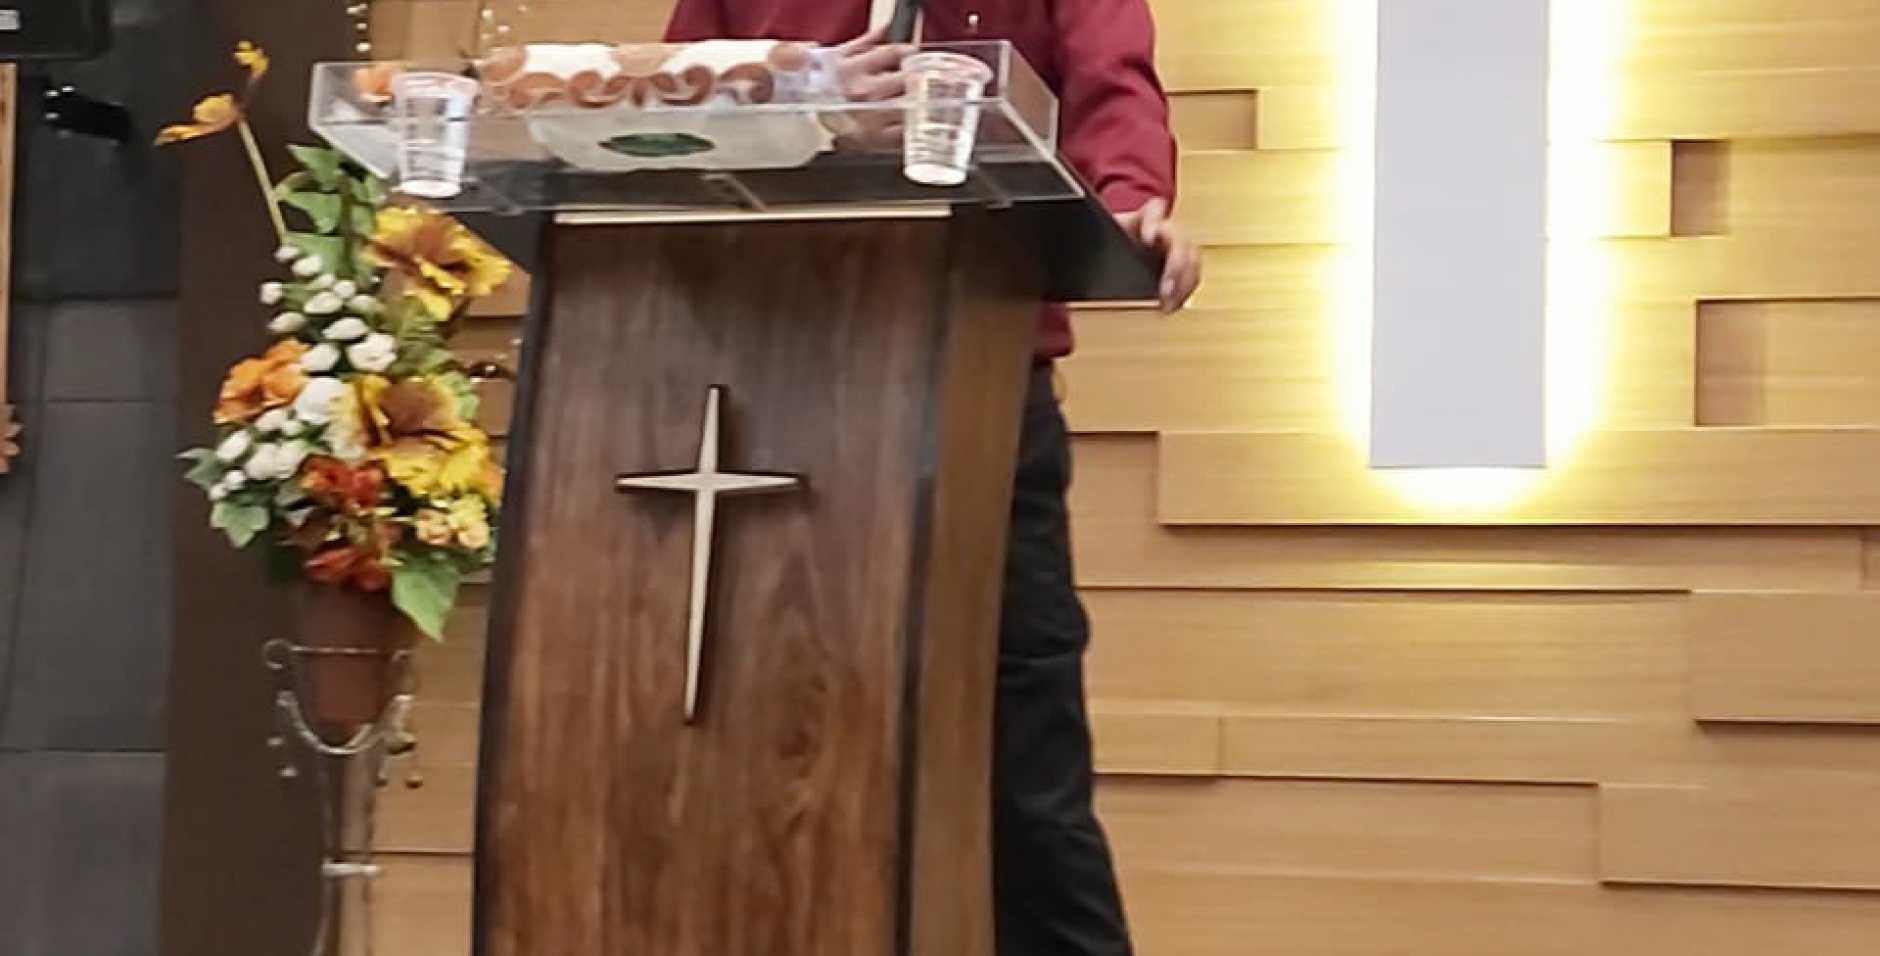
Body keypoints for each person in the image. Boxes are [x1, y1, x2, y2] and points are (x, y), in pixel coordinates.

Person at [665, 3, 1201, 954]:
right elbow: (676, 89)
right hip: (772, 376)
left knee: (1022, 774)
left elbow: (1112, 84)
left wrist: (1128, 195)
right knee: (778, 749)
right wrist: (804, 96)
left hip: (981, 382)